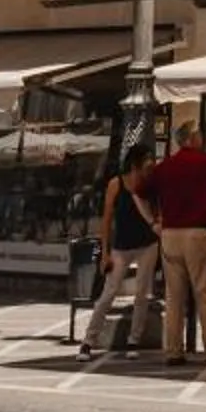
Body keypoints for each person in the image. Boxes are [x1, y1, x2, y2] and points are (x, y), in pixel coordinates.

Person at [142, 120, 206, 361]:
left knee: (174, 296)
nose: (203, 138)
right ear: (192, 138)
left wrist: (154, 221)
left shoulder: (165, 166)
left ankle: (174, 350)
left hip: (170, 235)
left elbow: (142, 190)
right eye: (199, 134)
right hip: (198, 233)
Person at [76, 144, 160, 359]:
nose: (151, 164)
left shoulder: (150, 184)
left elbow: (157, 210)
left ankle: (134, 339)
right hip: (121, 245)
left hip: (147, 243)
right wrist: (104, 253)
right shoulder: (117, 183)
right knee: (108, 293)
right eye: (147, 160)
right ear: (135, 164)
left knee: (142, 293)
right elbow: (106, 219)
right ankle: (89, 340)